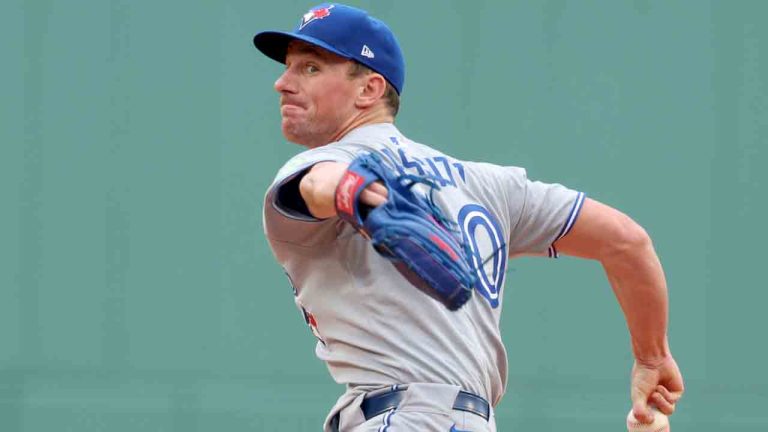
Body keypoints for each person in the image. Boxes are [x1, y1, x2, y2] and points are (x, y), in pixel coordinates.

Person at [253, 3, 684, 431]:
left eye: (309, 68)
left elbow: (318, 185)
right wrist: (652, 356)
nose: (282, 83)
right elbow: (627, 242)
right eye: (288, 67)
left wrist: (356, 194)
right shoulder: (488, 184)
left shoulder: (329, 161)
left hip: (405, 417)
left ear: (369, 90)